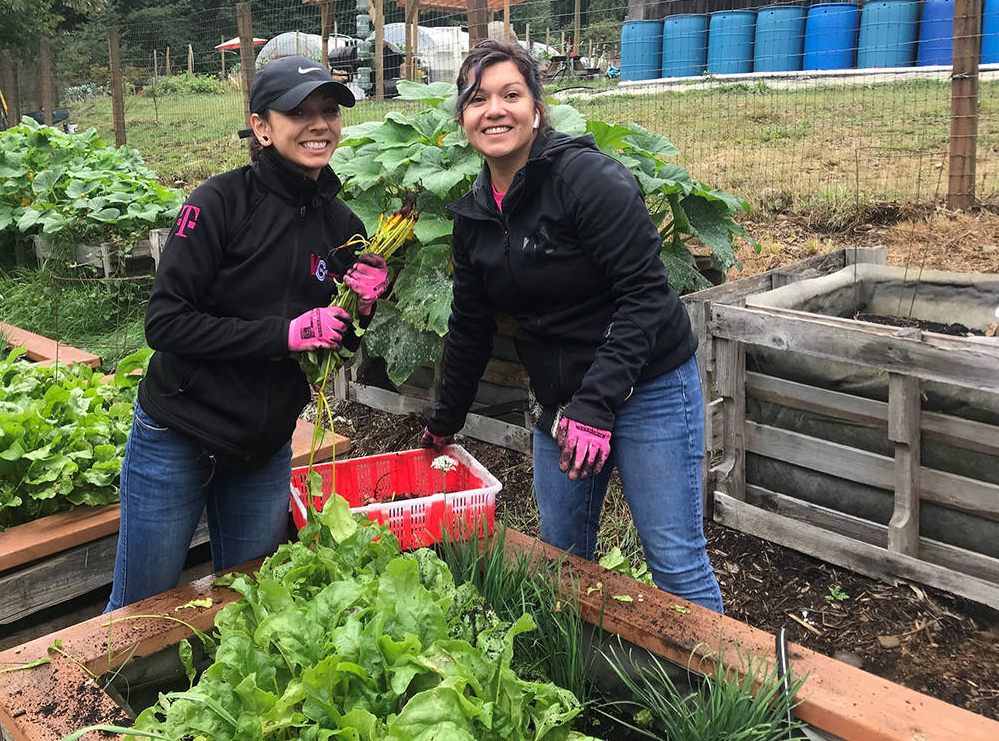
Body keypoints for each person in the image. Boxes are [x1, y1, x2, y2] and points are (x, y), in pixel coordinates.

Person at [420, 40, 723, 613]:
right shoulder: (475, 217)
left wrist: (598, 403)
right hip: (560, 401)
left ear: (537, 107)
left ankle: (720, 698)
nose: (495, 110)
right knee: (562, 559)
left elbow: (647, 296)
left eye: (511, 94)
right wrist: (444, 422)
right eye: (477, 98)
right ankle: (579, 679)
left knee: (674, 560)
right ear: (461, 117)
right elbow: (469, 328)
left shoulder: (588, 180)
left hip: (648, 386)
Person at [105, 57, 389, 612]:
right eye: (298, 112)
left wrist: (362, 309)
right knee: (139, 608)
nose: (318, 124)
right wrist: (283, 334)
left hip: (263, 447)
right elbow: (164, 323)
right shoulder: (217, 204)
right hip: (179, 431)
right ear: (261, 127)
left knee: (244, 604)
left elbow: (337, 348)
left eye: (328, 111)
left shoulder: (344, 228)